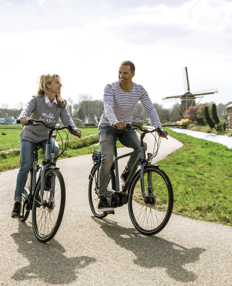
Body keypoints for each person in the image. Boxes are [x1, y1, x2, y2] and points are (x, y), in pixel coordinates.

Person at [98, 60, 168, 211]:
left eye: (125, 73)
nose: (121, 76)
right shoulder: (110, 87)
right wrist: (115, 121)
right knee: (108, 158)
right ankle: (102, 196)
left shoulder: (139, 90)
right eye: (119, 72)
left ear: (132, 74)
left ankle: (127, 174)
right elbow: (108, 106)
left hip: (126, 128)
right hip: (107, 127)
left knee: (141, 147)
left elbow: (150, 108)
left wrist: (159, 128)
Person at [12, 74, 81, 218]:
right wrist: (23, 118)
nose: (60, 85)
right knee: (25, 165)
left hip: (46, 137)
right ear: (48, 85)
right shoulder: (36, 99)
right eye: (57, 83)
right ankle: (17, 201)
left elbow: (67, 119)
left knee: (55, 149)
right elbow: (26, 110)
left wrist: (73, 129)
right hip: (30, 136)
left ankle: (47, 176)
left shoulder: (60, 104)